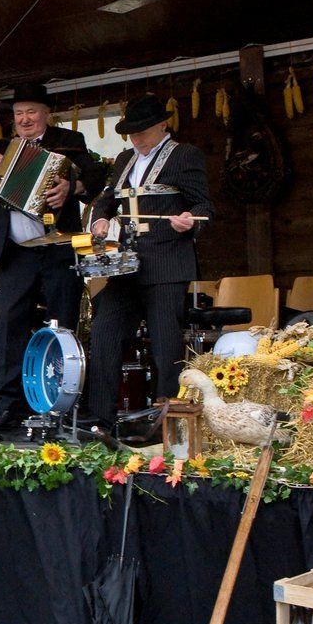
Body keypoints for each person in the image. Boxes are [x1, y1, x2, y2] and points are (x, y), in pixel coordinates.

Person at [0, 84, 106, 431]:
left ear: (46, 114)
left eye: (31, 112)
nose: (24, 119)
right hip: (16, 252)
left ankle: (62, 400)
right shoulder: (2, 149)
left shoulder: (69, 141)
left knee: (61, 322)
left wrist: (72, 187)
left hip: (57, 248)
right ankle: (9, 402)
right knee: (9, 326)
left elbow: (97, 176)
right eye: (18, 113)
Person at [82, 93, 214, 430]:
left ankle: (170, 421)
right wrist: (100, 219)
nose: (136, 139)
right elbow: (107, 200)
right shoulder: (125, 159)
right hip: (128, 267)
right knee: (105, 331)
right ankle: (101, 418)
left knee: (166, 343)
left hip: (167, 263)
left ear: (162, 125)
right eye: (131, 133)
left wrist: (189, 219)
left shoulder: (185, 155)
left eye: (142, 132)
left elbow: (203, 206)